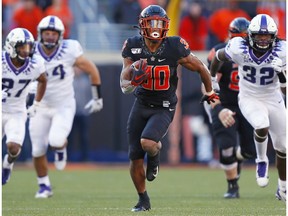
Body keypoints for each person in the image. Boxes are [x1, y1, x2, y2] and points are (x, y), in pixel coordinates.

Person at [120, 5, 220, 212]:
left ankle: (155, 156)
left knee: (148, 142)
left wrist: (209, 91)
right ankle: (143, 199)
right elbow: (124, 80)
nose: (156, 28)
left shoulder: (174, 46)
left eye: (159, 23)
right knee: (135, 156)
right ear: (142, 25)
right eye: (151, 23)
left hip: (164, 106)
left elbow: (201, 67)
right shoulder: (133, 45)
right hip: (141, 103)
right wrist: (131, 78)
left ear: (166, 26)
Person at [210, 14, 286, 202]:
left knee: (283, 147)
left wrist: (282, 74)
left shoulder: (283, 50)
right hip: (247, 97)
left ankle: (283, 187)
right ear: (249, 36)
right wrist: (212, 80)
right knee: (261, 124)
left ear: (274, 36)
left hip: (273, 97)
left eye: (266, 36)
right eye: (258, 36)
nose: (262, 39)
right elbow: (218, 57)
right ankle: (261, 162)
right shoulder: (238, 47)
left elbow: (285, 89)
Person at [28, 15, 103, 198]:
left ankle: (61, 148)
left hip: (63, 105)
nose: (50, 37)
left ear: (60, 35)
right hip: (41, 105)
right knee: (37, 149)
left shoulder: (70, 49)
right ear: (40, 34)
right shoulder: (31, 51)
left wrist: (97, 98)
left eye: (53, 33)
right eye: (47, 33)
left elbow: (91, 69)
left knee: (55, 141)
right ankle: (44, 185)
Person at [206, 17, 256, 198]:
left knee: (250, 151)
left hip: (247, 103)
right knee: (226, 147)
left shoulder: (255, 53)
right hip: (224, 102)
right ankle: (232, 186)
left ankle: (238, 158)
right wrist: (219, 110)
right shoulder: (219, 53)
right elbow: (208, 87)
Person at [2, 28, 47, 185]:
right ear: (11, 47)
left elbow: (43, 80)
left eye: (28, 46)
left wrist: (36, 103)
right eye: (22, 47)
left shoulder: (35, 64)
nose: (26, 51)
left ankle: (8, 163)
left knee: (14, 148)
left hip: (16, 111)